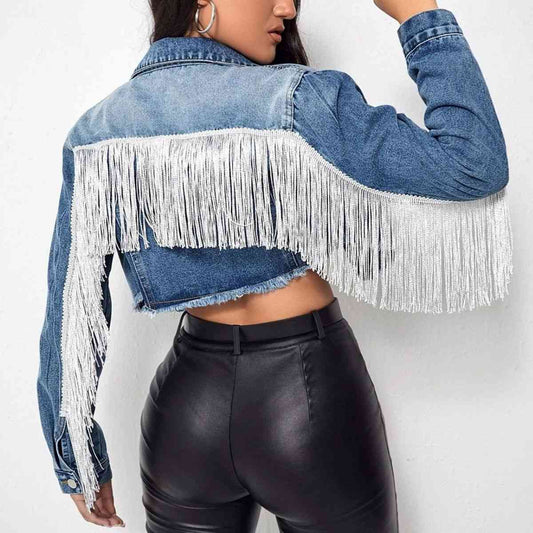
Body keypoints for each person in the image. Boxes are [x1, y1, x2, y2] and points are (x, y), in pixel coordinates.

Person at [37, 0, 513, 530]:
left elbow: (71, 310)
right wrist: (418, 14)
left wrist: (77, 460)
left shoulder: (97, 133)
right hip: (307, 399)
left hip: (185, 413)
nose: (287, 8)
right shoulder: (296, 101)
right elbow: (475, 164)